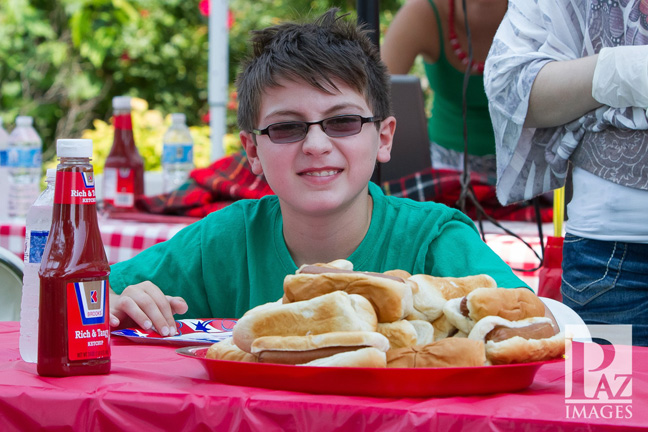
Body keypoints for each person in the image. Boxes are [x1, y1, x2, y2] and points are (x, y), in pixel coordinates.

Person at [108, 8, 529, 337]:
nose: (316, 145)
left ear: (383, 138)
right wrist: (115, 303)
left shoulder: (433, 241)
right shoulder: (220, 241)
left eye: (342, 122)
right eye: (287, 127)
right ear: (252, 151)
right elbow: (80, 297)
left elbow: (538, 320)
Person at [484, 1, 648, 346]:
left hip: (609, 259)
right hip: (612, 257)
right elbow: (510, 84)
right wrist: (621, 70)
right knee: (607, 400)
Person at [381, 0, 508, 184]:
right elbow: (370, 95)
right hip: (441, 168)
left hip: (529, 169)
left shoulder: (542, 10)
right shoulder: (424, 11)